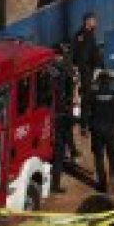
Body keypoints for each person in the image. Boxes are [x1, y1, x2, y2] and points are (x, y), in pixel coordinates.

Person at [86, 70, 114, 194]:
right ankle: (113, 181)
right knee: (113, 157)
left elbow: (86, 112)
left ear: (99, 82)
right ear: (109, 82)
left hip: (96, 131)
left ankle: (102, 183)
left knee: (98, 157)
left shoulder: (92, 95)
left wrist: (84, 127)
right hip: (111, 132)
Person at [50, 44, 78, 194]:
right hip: (60, 114)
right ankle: (55, 185)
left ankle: (72, 151)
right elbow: (70, 87)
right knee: (59, 154)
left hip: (50, 112)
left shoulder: (47, 68)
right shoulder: (63, 70)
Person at [72, 13, 104, 131]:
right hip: (85, 71)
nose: (96, 23)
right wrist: (96, 66)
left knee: (83, 96)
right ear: (87, 21)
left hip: (87, 70)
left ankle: (82, 121)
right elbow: (83, 54)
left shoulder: (87, 35)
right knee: (84, 96)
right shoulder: (83, 36)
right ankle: (83, 123)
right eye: (93, 20)